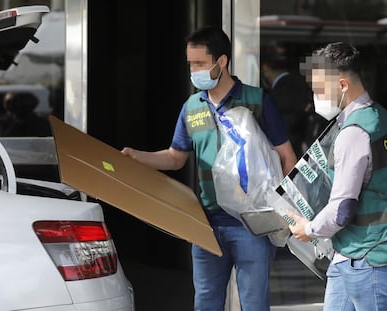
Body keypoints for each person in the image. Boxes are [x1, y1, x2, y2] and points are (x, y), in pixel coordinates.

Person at [122, 26, 297, 311]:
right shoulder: (192, 107)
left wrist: (284, 209)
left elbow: (286, 156)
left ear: (222, 61)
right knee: (206, 302)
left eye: (200, 64)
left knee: (254, 304)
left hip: (252, 225)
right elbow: (175, 157)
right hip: (206, 225)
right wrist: (137, 157)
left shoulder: (257, 101)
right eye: (190, 64)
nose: (194, 70)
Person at [287, 42, 387, 311]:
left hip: (367, 261)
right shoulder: (379, 117)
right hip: (349, 257)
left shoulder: (354, 133)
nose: (315, 97)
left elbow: (342, 209)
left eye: (319, 90)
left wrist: (308, 229)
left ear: (343, 85)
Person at [261, 43, 328, 158]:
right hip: (305, 153)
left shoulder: (272, 97)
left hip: (285, 155)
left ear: (265, 69)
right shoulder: (302, 86)